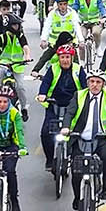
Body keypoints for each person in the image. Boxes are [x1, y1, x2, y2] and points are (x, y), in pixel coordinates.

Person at [67, 71, 106, 211]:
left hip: (102, 137)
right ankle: (77, 197)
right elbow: (69, 113)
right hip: (81, 137)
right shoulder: (79, 95)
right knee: (76, 168)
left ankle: (105, 188)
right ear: (88, 83)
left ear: (103, 84)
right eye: (92, 81)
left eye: (98, 82)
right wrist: (65, 127)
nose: (95, 85)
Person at [37, 45, 88, 174]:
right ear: (58, 58)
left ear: (72, 58)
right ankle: (49, 159)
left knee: (77, 132)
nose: (65, 60)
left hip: (73, 107)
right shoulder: (53, 69)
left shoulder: (78, 69)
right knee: (45, 132)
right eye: (62, 57)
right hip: (54, 105)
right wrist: (42, 94)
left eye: (67, 57)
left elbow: (84, 87)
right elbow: (45, 83)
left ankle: (73, 154)